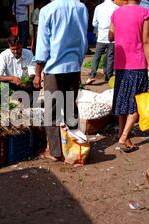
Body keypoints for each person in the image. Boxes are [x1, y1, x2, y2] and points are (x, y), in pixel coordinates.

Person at [33, 0, 88, 161]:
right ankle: (73, 145)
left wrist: (38, 73)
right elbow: (84, 40)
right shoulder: (80, 8)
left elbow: (42, 45)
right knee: (71, 107)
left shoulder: (47, 10)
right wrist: (78, 63)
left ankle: (55, 152)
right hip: (74, 66)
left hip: (54, 69)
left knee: (52, 111)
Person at [109, 0, 149, 153]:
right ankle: (124, 136)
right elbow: (146, 41)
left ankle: (121, 133)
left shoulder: (116, 13)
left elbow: (110, 37)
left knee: (123, 100)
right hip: (137, 63)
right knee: (138, 103)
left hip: (121, 64)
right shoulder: (145, 13)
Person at [85, 0, 118, 85]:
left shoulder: (98, 7)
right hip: (112, 37)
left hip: (101, 37)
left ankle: (92, 75)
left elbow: (94, 24)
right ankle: (109, 76)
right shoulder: (116, 7)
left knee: (97, 57)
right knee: (110, 57)